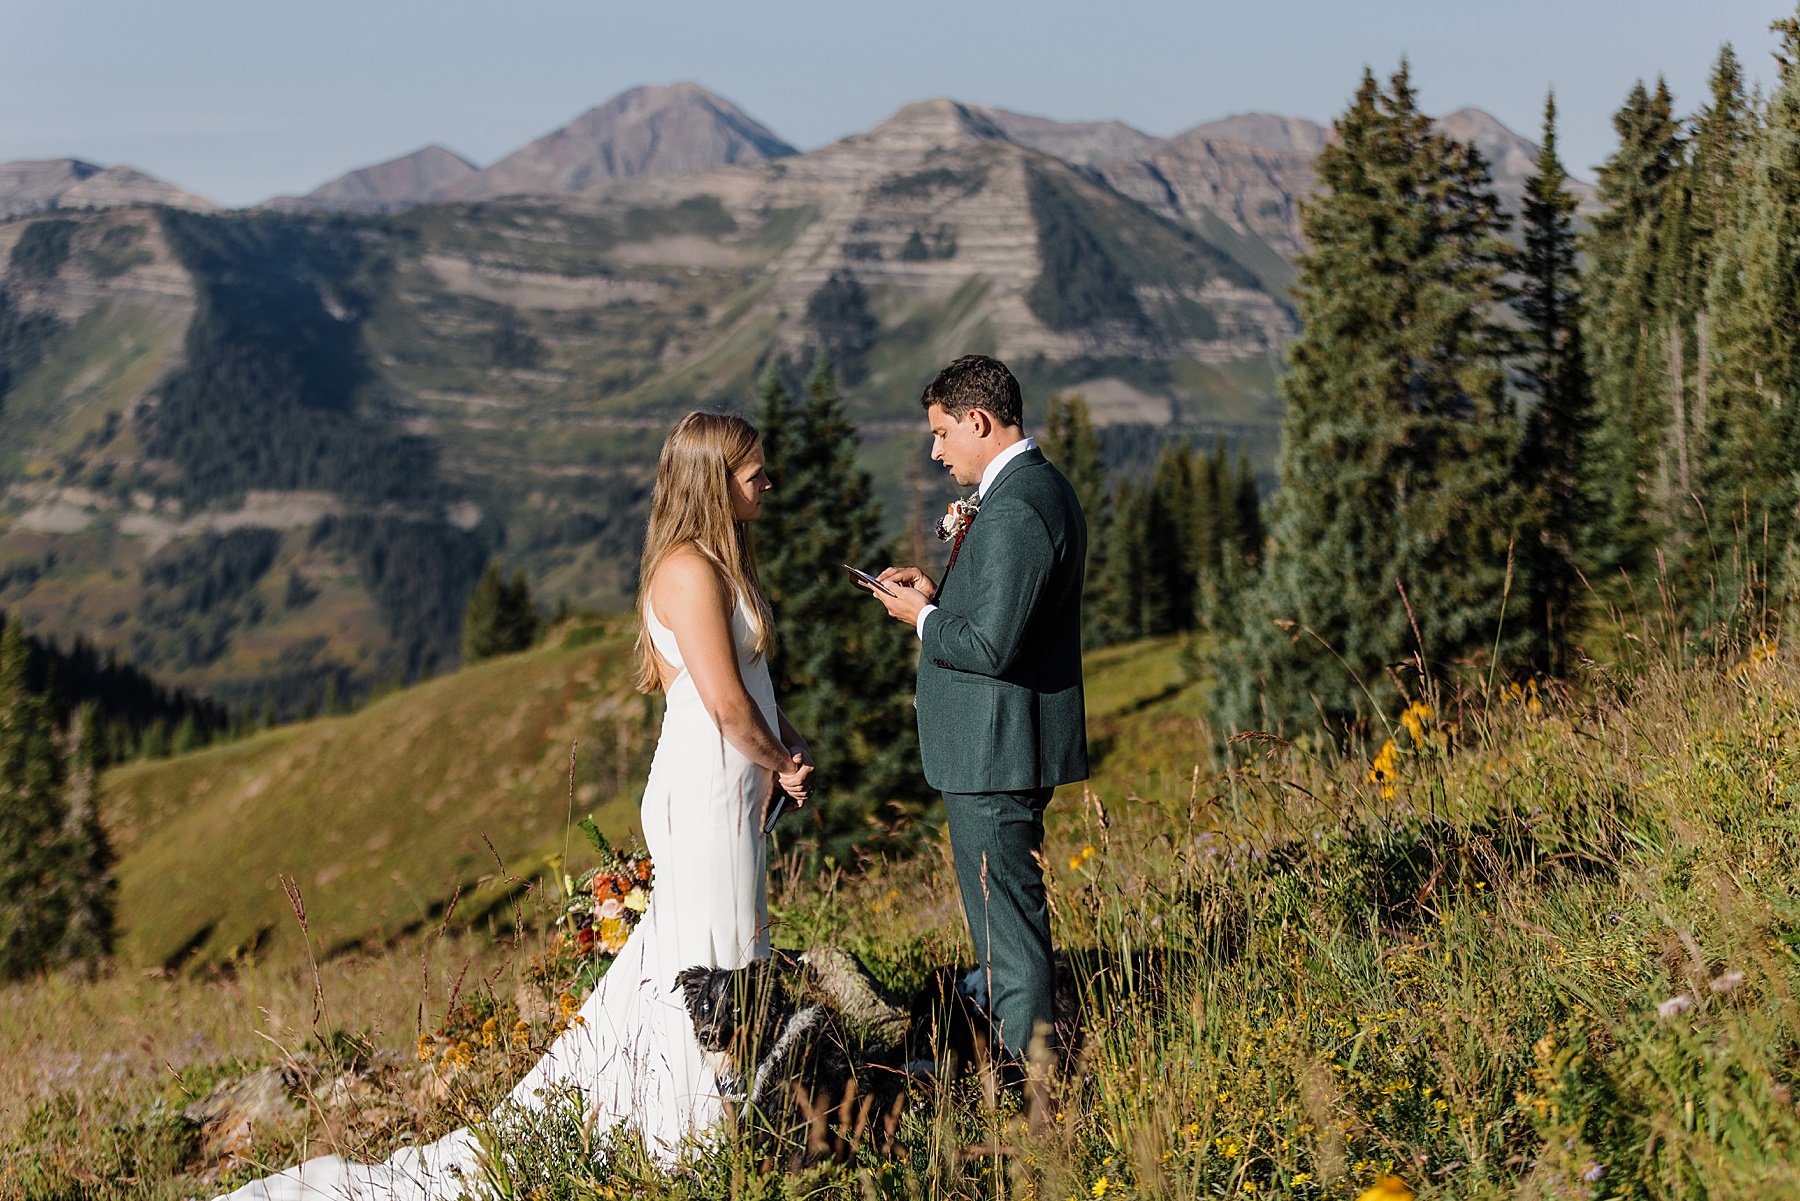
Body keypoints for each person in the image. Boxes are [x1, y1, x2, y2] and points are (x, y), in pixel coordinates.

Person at [219, 411, 814, 1199]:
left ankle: (713, 1102)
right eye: (753, 474)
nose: (766, 484)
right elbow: (726, 703)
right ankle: (696, 1123)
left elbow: (756, 690)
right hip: (706, 784)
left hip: (732, 785)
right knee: (713, 946)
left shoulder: (718, 561)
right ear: (712, 479)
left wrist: (787, 746)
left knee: (726, 940)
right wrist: (781, 761)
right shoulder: (687, 570)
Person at [866, 355, 1088, 1095]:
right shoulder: (1023, 493)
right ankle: (1015, 1061)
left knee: (1008, 931)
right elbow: (1003, 615)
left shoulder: (1021, 504)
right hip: (992, 750)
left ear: (979, 421)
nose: (936, 450)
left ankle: (1035, 1087)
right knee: (1001, 923)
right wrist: (939, 592)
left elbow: (992, 645)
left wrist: (920, 616)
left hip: (995, 755)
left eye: (941, 433)